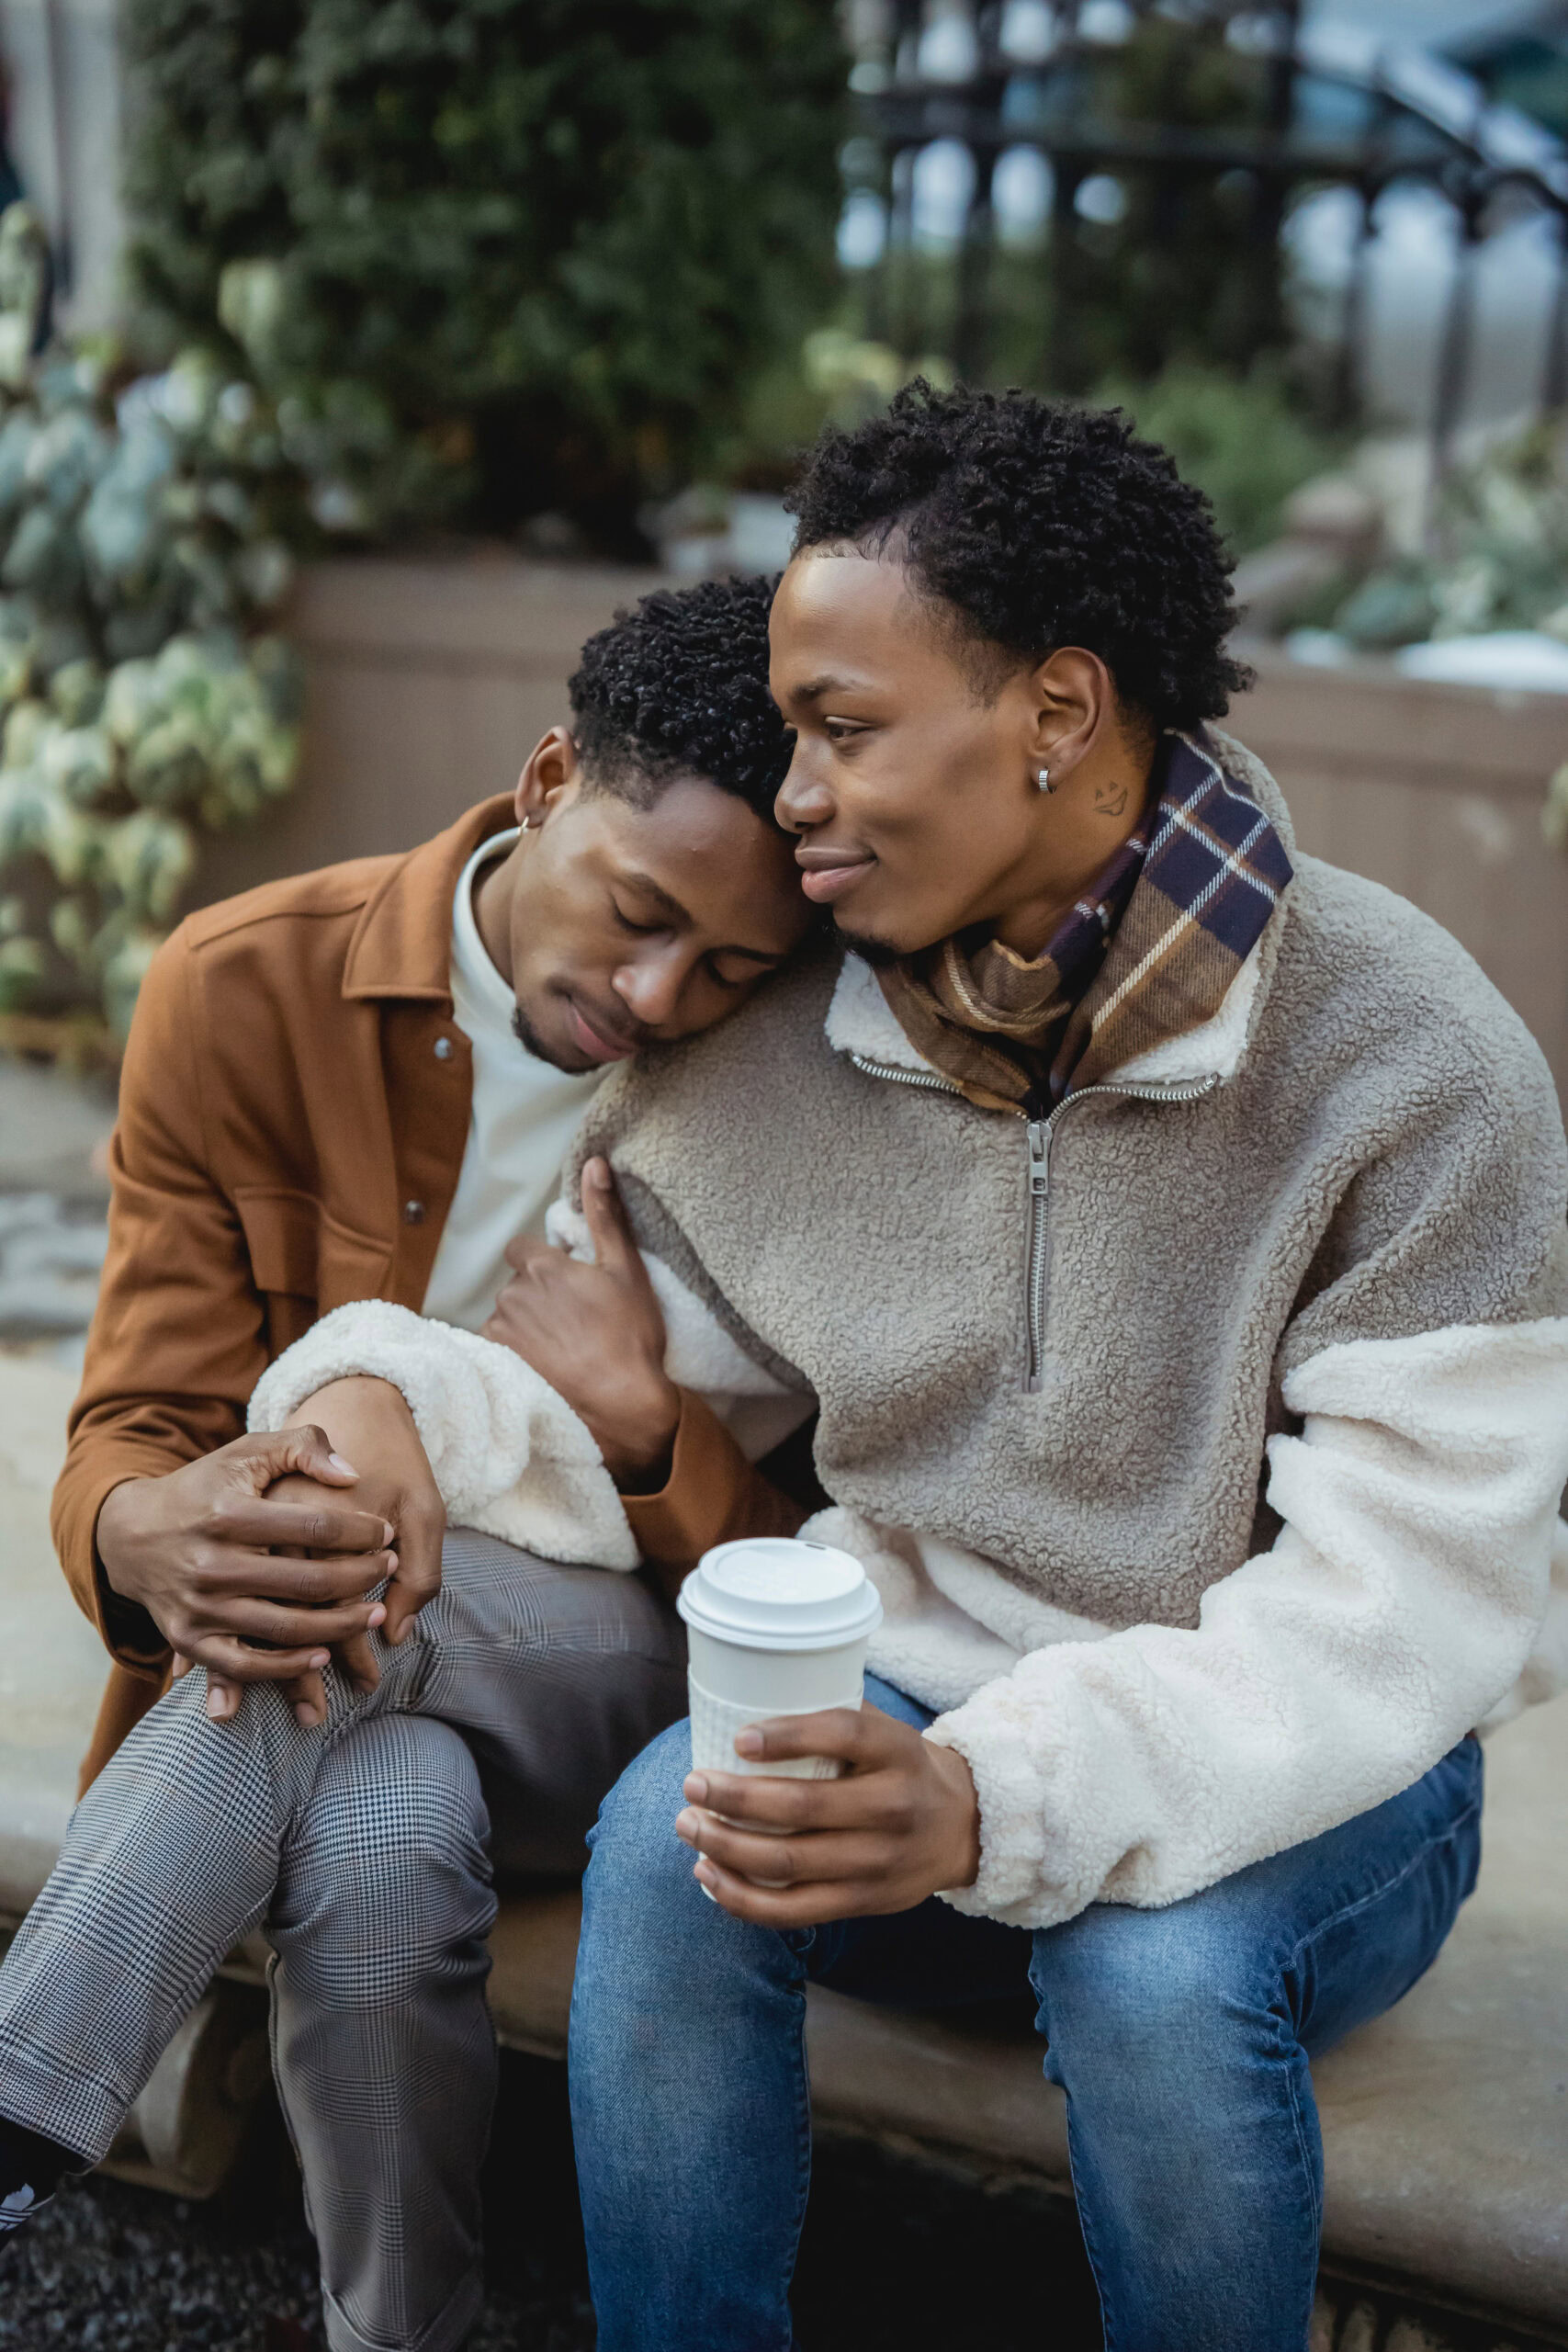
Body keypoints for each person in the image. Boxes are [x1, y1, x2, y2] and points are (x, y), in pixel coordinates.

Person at [545, 386, 1568, 2351]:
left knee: (1153, 1970)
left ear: (1056, 712)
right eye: (789, 739)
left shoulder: (1410, 1062)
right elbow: (580, 1343)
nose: (793, 801)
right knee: (674, 1838)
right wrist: (372, 1417)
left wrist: (989, 1791)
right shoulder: (782, 1016)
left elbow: (1395, 1618)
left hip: (1313, 1770)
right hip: (917, 1697)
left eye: (842, 732)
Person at [0, 572, 810, 2352]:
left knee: (351, 1584)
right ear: (543, 781)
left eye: (733, 962)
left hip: (640, 1673)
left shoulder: (788, 1080)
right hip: (353, 1686)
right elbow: (135, 1416)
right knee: (381, 1832)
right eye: (638, 912)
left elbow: (825, 1567)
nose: (662, 993)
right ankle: (402, 2327)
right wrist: (148, 1527)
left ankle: (18, 2095)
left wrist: (640, 1423)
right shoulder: (248, 981)